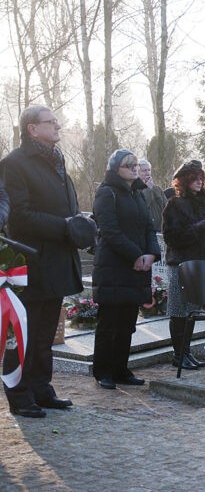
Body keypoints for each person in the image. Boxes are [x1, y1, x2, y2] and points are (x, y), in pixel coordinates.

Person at [1, 105, 96, 418]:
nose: (58, 125)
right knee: (23, 334)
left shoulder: (58, 162)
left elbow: (64, 207)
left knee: (44, 335)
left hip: (56, 262)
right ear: (32, 128)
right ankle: (19, 394)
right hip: (29, 265)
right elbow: (19, 216)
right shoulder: (14, 164)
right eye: (50, 122)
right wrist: (65, 226)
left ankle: (41, 388)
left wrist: (80, 223)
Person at [92, 149, 161, 389]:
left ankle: (121, 369)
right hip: (114, 267)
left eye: (135, 164)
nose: (134, 168)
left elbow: (149, 228)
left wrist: (151, 254)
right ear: (115, 169)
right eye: (127, 165)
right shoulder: (106, 192)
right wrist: (136, 255)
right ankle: (103, 371)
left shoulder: (138, 194)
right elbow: (109, 231)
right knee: (109, 323)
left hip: (137, 268)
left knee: (127, 324)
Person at [162, 160, 205, 370]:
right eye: (193, 178)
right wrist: (197, 227)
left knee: (192, 311)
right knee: (179, 311)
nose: (198, 182)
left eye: (200, 178)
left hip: (199, 264)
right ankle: (179, 354)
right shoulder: (175, 204)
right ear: (185, 181)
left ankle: (186, 352)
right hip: (180, 264)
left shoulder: (204, 203)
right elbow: (171, 237)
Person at [137, 159, 167, 233]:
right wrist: (148, 189)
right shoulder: (135, 190)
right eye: (144, 171)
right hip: (146, 231)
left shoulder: (157, 188)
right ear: (138, 173)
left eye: (149, 170)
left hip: (161, 230)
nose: (147, 173)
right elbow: (142, 206)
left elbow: (166, 206)